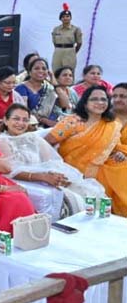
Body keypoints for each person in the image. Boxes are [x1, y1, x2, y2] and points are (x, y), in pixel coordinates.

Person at [0, 104, 106, 214]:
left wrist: (58, 176)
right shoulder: (2, 141)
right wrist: (43, 177)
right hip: (25, 182)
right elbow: (11, 171)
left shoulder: (33, 138)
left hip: (45, 177)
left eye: (25, 120)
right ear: (6, 120)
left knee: (87, 191)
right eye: (16, 119)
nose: (21, 123)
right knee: (70, 198)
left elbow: (51, 162)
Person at [46, 86, 127, 216]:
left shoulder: (110, 124)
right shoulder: (73, 121)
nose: (100, 102)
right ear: (85, 103)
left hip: (101, 167)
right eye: (94, 99)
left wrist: (119, 153)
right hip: (73, 171)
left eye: (103, 99)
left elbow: (114, 147)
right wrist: (52, 167)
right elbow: (46, 143)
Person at [15, 58, 70, 128]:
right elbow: (23, 112)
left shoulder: (50, 88)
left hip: (50, 125)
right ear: (29, 72)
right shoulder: (21, 88)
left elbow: (65, 105)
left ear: (48, 72)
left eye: (44, 69)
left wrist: (56, 85)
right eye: (36, 68)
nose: (41, 71)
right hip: (30, 126)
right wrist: (43, 120)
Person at [51, 3, 82, 74]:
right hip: (58, 51)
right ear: (60, 18)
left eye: (68, 16)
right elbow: (54, 42)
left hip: (70, 52)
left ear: (71, 18)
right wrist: (59, 49)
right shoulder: (56, 29)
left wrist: (73, 52)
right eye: (63, 17)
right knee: (56, 70)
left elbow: (79, 43)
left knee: (68, 72)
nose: (65, 18)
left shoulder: (75, 29)